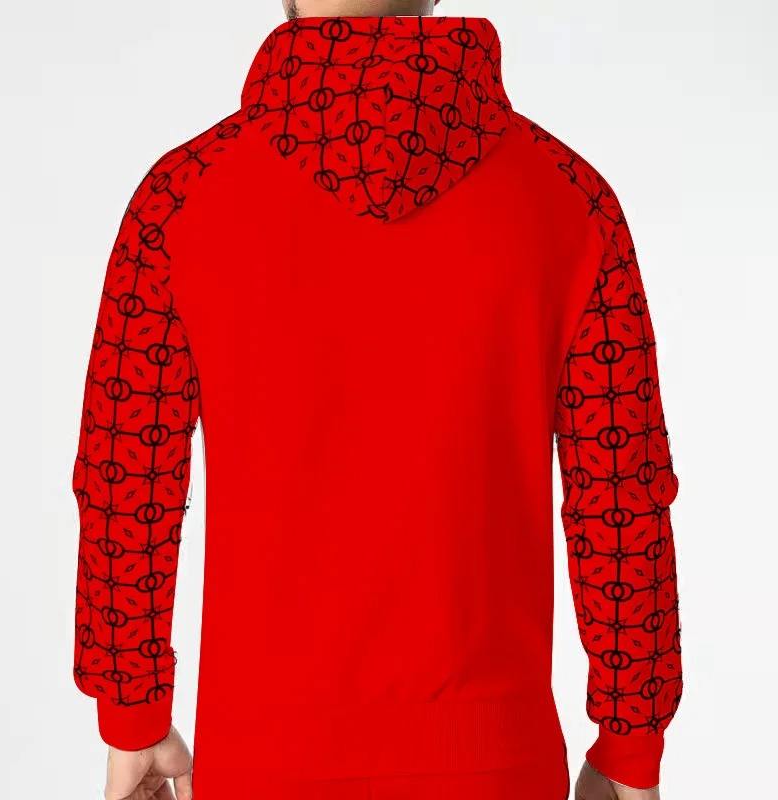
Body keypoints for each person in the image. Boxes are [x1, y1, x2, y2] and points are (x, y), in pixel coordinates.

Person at [69, 1, 683, 798]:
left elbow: (125, 478)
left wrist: (134, 719)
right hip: (494, 760)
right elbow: (622, 494)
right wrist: (630, 744)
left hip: (265, 759)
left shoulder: (181, 200)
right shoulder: (569, 200)